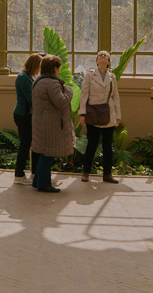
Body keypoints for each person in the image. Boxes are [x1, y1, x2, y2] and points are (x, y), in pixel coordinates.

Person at [31, 55, 74, 193]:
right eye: (59, 68)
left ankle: (37, 181)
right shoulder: (52, 83)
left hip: (41, 122)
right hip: (51, 124)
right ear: (55, 68)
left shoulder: (38, 81)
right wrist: (68, 90)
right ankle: (44, 184)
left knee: (44, 152)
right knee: (48, 154)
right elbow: (61, 102)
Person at [79, 50, 122, 184]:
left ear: (109, 62)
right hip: (93, 114)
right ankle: (86, 172)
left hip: (108, 114)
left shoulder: (112, 77)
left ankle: (107, 174)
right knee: (91, 144)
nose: (103, 58)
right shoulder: (89, 75)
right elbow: (84, 94)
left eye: (106, 56)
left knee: (107, 146)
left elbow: (115, 96)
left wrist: (118, 115)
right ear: (96, 61)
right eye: (100, 56)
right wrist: (82, 114)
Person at [13, 54, 42, 185]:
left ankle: (33, 172)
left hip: (27, 115)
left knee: (30, 143)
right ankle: (19, 175)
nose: (39, 70)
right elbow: (31, 98)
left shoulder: (29, 76)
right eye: (38, 67)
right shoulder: (23, 78)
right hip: (23, 115)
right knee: (25, 144)